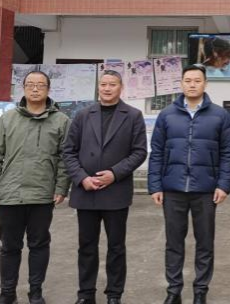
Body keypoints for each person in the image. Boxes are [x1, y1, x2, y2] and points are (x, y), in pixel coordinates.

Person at [148, 64, 230, 304]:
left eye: (197, 80)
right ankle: (173, 291)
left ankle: (200, 291)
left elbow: (228, 153)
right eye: (188, 80)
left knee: (205, 244)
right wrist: (155, 185)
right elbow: (157, 152)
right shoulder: (167, 114)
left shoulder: (220, 115)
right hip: (172, 188)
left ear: (205, 84)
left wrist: (224, 184)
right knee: (173, 243)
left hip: (206, 190)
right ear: (181, 84)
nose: (192, 84)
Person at [0, 70, 70, 304]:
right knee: (9, 247)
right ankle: (7, 292)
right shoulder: (8, 119)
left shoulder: (61, 121)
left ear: (48, 89)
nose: (35, 88)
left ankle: (36, 292)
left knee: (39, 245)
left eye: (40, 85)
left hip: (43, 195)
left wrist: (61, 187)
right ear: (23, 89)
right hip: (10, 195)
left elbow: (65, 158)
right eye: (30, 84)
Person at [62, 70, 148, 304]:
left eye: (112, 84)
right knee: (86, 246)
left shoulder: (133, 115)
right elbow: (69, 151)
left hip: (115, 192)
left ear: (121, 88)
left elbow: (139, 152)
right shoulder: (82, 115)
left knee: (116, 247)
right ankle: (86, 294)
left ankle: (114, 294)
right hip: (86, 191)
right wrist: (82, 178)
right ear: (98, 87)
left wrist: (114, 173)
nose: (107, 88)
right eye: (103, 84)